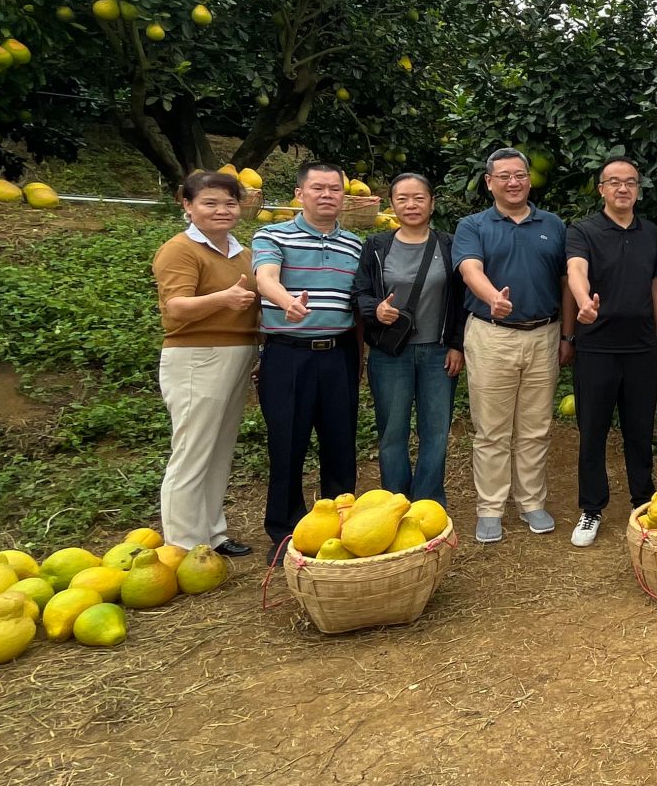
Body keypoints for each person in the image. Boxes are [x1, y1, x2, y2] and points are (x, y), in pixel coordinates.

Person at [454, 147, 572, 543]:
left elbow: (565, 282)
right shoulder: (473, 225)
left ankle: (531, 502)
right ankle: (490, 508)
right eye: (504, 176)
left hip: (544, 334)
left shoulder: (552, 224)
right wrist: (493, 297)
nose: (513, 182)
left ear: (529, 179)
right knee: (491, 429)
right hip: (492, 335)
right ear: (489, 182)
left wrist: (567, 334)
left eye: (520, 174)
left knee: (536, 427)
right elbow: (469, 269)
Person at [253, 161, 363, 554]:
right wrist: (287, 302)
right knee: (287, 444)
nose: (327, 195)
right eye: (318, 188)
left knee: (340, 444)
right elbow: (265, 277)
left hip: (338, 355)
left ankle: (342, 530)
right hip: (288, 356)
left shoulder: (356, 244)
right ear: (300, 194)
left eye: (335, 189)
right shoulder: (272, 235)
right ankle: (286, 532)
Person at [152, 169, 259, 557]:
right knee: (192, 451)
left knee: (218, 450)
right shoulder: (180, 249)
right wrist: (223, 299)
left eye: (230, 203)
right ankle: (182, 547)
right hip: (197, 356)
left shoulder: (242, 253)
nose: (222, 210)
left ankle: (212, 534)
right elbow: (176, 307)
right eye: (209, 203)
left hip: (238, 354)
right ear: (188, 205)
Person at [565, 157, 657, 546]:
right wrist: (584, 303)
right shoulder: (583, 231)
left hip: (641, 347)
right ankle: (591, 507)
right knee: (592, 431)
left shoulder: (650, 232)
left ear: (638, 189)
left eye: (630, 182)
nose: (622, 188)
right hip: (596, 347)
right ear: (601, 189)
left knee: (640, 432)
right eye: (614, 182)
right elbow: (576, 271)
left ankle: (643, 504)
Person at [353, 173, 466, 506]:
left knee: (436, 432)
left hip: (438, 353)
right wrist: (376, 309)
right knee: (392, 432)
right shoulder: (376, 246)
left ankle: (428, 503)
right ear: (392, 204)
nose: (411, 205)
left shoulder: (449, 245)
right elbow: (359, 292)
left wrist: (457, 344)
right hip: (390, 354)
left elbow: (462, 299)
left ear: (432, 203)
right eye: (402, 198)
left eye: (419, 197)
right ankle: (395, 503)